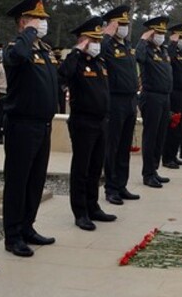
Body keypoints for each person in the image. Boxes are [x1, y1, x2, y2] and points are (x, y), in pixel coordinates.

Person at [2, 0, 58, 257]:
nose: (43, 23)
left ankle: (27, 227)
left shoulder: (43, 50)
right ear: (23, 22)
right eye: (38, 18)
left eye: (44, 18)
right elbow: (16, 58)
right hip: (21, 125)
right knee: (18, 181)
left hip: (42, 124)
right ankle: (12, 236)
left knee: (35, 181)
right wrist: (27, 34)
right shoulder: (15, 47)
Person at [58, 16, 117, 231]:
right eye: (93, 40)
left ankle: (93, 206)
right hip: (83, 122)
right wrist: (76, 50)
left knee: (95, 167)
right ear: (83, 40)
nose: (97, 44)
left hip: (101, 121)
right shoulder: (75, 61)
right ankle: (80, 211)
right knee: (81, 168)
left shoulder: (99, 62)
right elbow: (62, 75)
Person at [101, 5, 141, 205]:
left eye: (126, 24)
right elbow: (98, 53)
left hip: (130, 99)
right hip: (114, 100)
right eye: (120, 24)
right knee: (113, 146)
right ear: (113, 26)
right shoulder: (106, 44)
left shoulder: (127, 45)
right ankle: (110, 188)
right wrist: (106, 35)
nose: (124, 28)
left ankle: (121, 184)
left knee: (125, 145)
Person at [136, 16, 173, 188]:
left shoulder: (162, 50)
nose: (161, 36)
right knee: (150, 136)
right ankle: (147, 174)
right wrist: (143, 39)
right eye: (157, 33)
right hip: (151, 97)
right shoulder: (146, 49)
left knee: (160, 135)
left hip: (164, 97)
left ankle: (154, 169)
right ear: (150, 34)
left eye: (162, 33)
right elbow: (139, 57)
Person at [162, 23, 182, 169]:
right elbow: (169, 56)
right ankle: (168, 158)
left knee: (180, 127)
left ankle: (174, 155)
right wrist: (173, 42)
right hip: (175, 94)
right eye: (181, 37)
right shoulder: (171, 52)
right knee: (172, 127)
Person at [53, 47, 67, 114]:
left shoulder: (63, 62)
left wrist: (66, 84)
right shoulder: (51, 62)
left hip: (61, 86)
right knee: (54, 103)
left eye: (59, 53)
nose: (58, 54)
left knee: (62, 103)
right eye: (56, 53)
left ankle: (62, 114)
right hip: (53, 85)